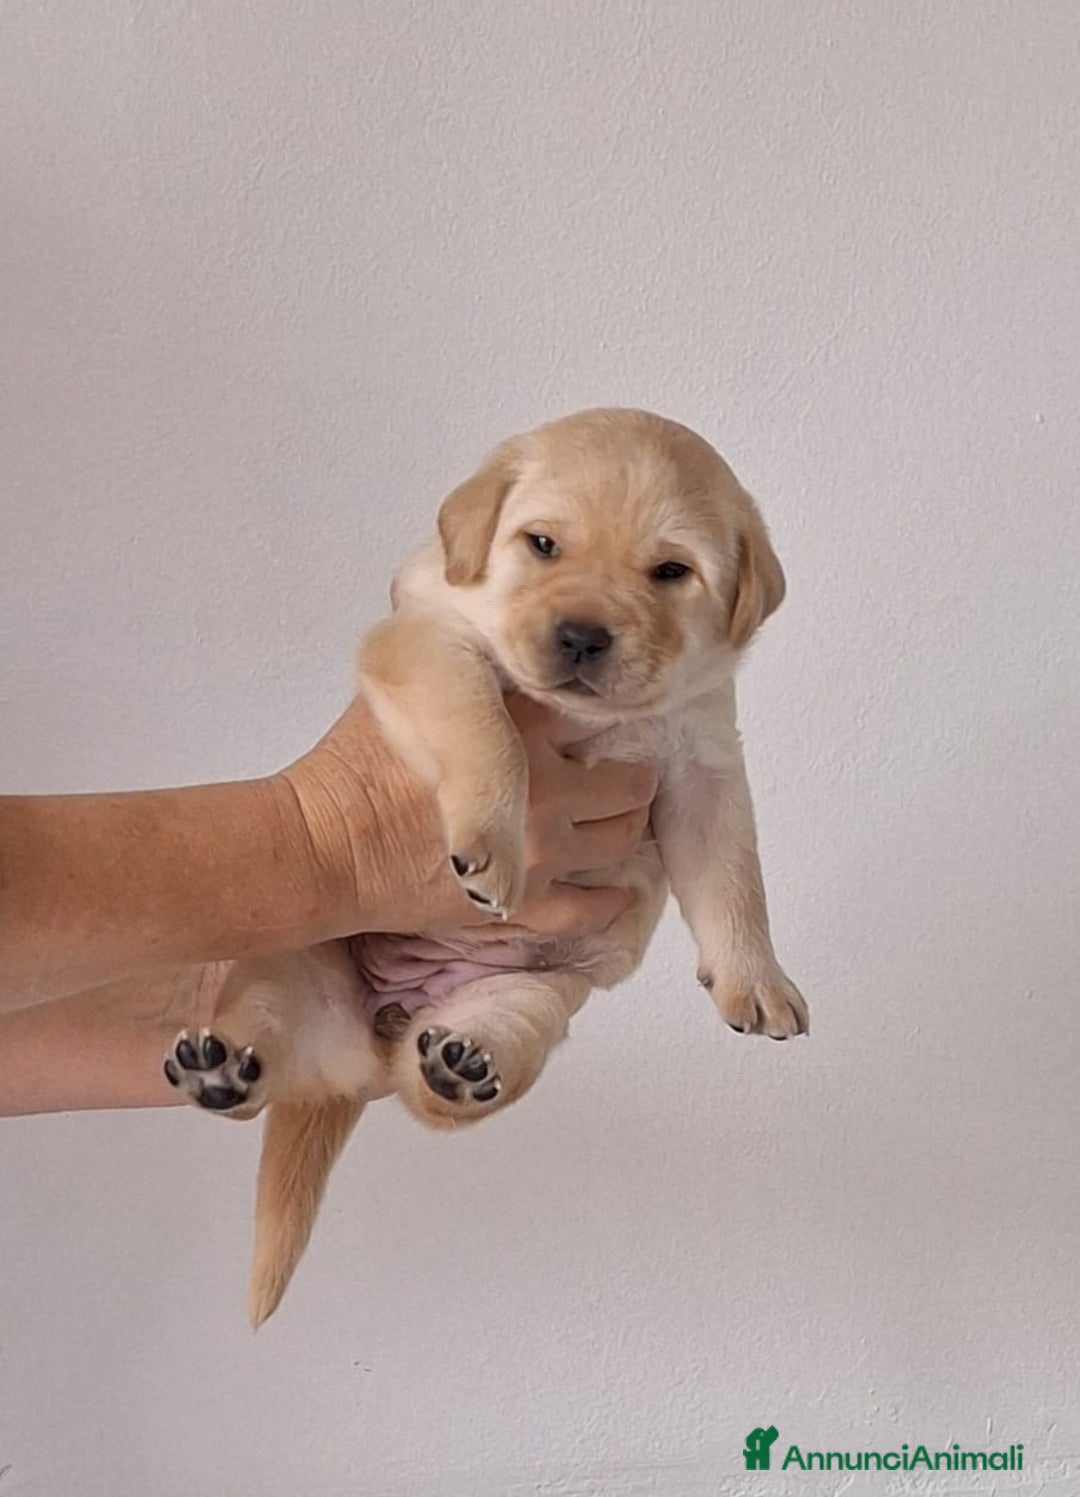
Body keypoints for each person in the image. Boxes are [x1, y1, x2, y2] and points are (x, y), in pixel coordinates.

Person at [0, 693, 657, 1116]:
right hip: (365, 958)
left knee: (514, 1014)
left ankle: (261, 1049)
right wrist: (329, 841)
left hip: (440, 968)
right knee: (288, 996)